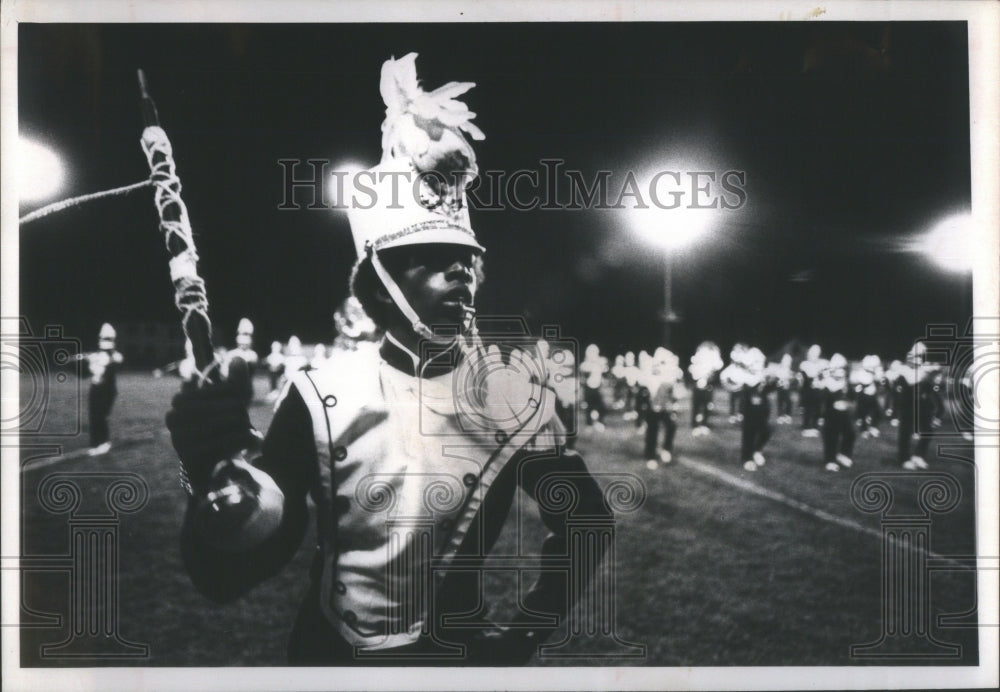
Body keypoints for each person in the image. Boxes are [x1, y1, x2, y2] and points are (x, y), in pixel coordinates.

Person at [166, 53, 610, 666]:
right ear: (379, 286)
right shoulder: (321, 391)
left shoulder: (514, 398)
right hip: (325, 657)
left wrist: (525, 633)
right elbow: (233, 573)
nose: (461, 268)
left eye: (467, 256)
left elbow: (588, 524)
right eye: (433, 254)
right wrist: (215, 484)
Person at [721, 347, 775, 471]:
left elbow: (769, 389)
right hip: (749, 407)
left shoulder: (763, 374)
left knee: (766, 430)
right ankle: (747, 458)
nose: (759, 364)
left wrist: (772, 382)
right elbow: (729, 381)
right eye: (756, 361)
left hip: (763, 407)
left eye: (760, 361)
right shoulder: (743, 375)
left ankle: (757, 450)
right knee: (749, 432)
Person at [83, 323, 124, 456]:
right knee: (93, 415)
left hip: (107, 390)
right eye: (103, 339)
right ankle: (95, 443)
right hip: (95, 388)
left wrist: (97, 359)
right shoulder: (97, 356)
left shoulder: (115, 356)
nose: (104, 342)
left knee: (100, 416)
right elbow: (87, 373)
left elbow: (116, 361)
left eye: (107, 339)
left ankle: (104, 442)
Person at [638, 347, 682, 468]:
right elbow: (644, 384)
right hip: (653, 405)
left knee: (671, 426)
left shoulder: (668, 373)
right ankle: (650, 456)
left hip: (664, 405)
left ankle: (666, 449)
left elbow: (673, 391)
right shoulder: (651, 371)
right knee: (653, 430)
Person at [819, 354, 856, 472]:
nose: (841, 372)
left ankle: (843, 454)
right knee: (831, 437)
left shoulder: (846, 383)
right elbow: (823, 401)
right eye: (838, 369)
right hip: (831, 414)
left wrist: (848, 403)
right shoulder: (827, 383)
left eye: (843, 369)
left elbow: (853, 398)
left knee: (850, 433)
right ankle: (829, 460)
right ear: (832, 370)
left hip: (844, 413)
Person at [688, 341, 723, 437]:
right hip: (698, 383)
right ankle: (695, 425)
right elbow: (692, 369)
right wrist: (699, 378)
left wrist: (708, 376)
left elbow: (718, 365)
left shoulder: (713, 358)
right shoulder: (697, 359)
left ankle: (704, 424)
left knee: (707, 404)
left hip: (708, 384)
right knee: (696, 404)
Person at [579, 343, 609, 431]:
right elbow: (583, 373)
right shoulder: (585, 364)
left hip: (598, 387)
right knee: (590, 406)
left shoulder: (600, 362)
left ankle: (599, 421)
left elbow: (605, 370)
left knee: (601, 406)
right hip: (589, 388)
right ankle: (589, 424)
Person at [798, 344, 826, 437]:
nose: (815, 356)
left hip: (817, 390)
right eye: (813, 353)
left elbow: (823, 377)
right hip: (808, 390)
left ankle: (814, 427)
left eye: (816, 354)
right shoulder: (805, 365)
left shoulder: (821, 365)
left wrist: (820, 381)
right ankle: (806, 427)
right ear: (809, 354)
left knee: (817, 409)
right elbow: (803, 380)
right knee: (808, 409)